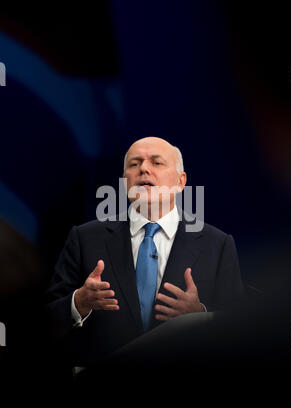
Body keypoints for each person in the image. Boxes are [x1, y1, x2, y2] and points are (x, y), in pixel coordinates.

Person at [46, 137, 245, 367]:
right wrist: (78, 303)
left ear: (181, 182)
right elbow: (45, 320)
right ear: (124, 182)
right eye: (134, 164)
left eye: (157, 163)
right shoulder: (84, 238)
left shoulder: (217, 244)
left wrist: (200, 314)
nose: (143, 169)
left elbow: (239, 327)